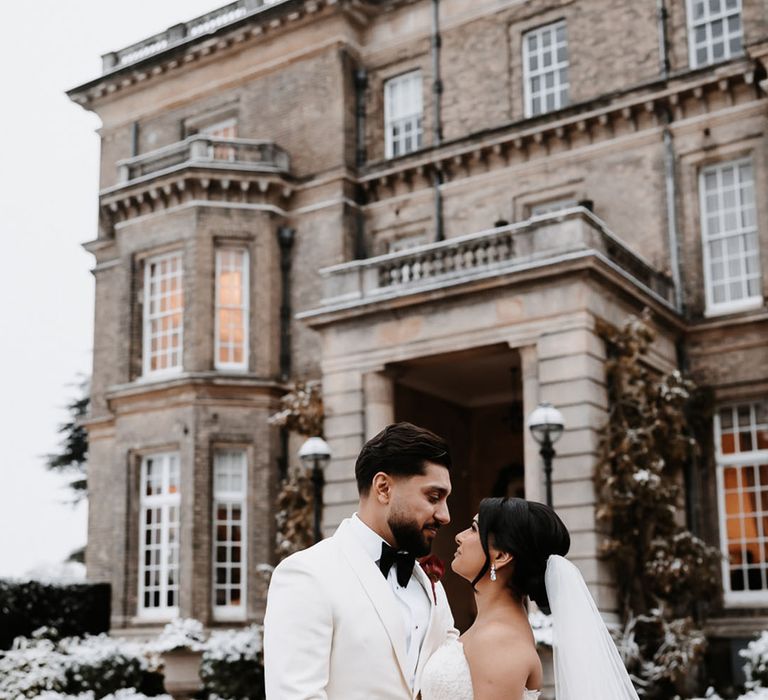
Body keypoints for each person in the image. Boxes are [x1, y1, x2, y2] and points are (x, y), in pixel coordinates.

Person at [264, 422, 456, 700]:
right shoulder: (307, 574)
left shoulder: (429, 584)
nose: (445, 515)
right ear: (383, 488)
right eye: (434, 497)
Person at [420, 497, 640, 700]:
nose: (460, 536)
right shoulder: (495, 630)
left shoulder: (499, 641)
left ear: (501, 556)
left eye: (474, 529)